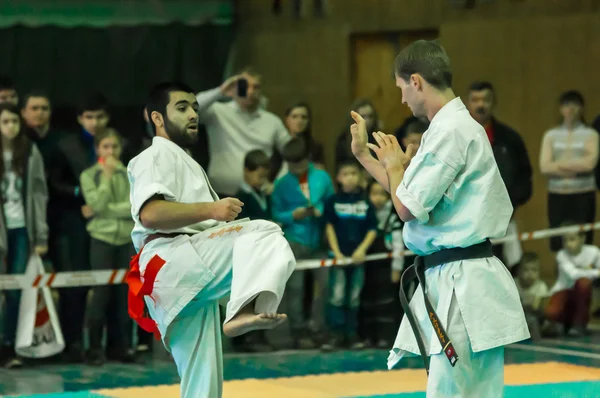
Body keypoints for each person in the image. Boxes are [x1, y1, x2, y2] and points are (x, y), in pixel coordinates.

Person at [349, 39, 528, 396]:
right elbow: (412, 198)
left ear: (416, 81)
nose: (402, 99)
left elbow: (406, 207)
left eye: (402, 89)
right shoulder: (450, 129)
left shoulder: (450, 131)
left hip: (463, 282)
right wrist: (367, 159)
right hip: (459, 277)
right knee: (469, 389)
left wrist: (396, 165)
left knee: (454, 389)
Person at [126, 82, 295, 398]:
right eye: (182, 108)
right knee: (265, 233)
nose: (192, 114)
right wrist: (213, 209)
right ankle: (242, 309)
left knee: (202, 381)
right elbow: (149, 214)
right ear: (157, 118)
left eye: (194, 108)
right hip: (171, 257)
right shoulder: (154, 155)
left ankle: (241, 308)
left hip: (175, 270)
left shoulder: (183, 159)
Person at [271, 137, 335, 349]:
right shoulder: (281, 185)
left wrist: (321, 212)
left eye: (298, 163)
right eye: (290, 164)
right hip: (294, 240)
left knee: (324, 286)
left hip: (319, 240)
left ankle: (318, 328)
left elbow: (333, 204)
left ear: (307, 159)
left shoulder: (322, 178)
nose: (294, 168)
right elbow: (275, 212)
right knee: (295, 289)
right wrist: (292, 215)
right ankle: (297, 331)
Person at [80, 130, 135, 365]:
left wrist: (106, 209)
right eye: (105, 147)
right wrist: (106, 178)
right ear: (97, 149)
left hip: (126, 239)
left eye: (114, 147)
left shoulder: (133, 173)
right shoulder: (89, 175)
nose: (110, 152)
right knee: (100, 294)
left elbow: (134, 207)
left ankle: (120, 346)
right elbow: (96, 204)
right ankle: (93, 347)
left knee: (125, 294)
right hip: (101, 238)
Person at [0, 103, 48, 368]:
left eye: (14, 122)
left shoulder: (30, 151)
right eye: (5, 122)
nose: (10, 127)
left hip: (22, 229)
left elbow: (40, 195)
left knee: (17, 290)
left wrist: (40, 236)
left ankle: (9, 346)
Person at [195, 67, 291, 196]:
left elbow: (292, 153)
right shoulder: (217, 112)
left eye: (255, 87)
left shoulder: (272, 121)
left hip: (258, 195)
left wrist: (278, 184)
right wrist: (221, 91)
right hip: (221, 194)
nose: (250, 91)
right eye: (244, 86)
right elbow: (192, 107)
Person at [321, 160, 378, 352]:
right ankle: (335, 335)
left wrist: (362, 250)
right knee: (337, 295)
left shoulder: (365, 202)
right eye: (345, 174)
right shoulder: (333, 201)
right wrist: (336, 252)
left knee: (354, 297)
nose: (350, 177)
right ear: (338, 178)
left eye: (354, 173)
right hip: (338, 256)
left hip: (358, 258)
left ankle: (351, 334)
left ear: (360, 177)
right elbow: (329, 227)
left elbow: (372, 229)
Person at [539, 90, 598, 252]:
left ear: (582, 108)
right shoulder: (551, 135)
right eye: (566, 105)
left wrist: (559, 166)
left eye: (574, 104)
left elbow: (590, 165)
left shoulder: (591, 134)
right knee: (558, 241)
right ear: (560, 109)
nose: (570, 109)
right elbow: (545, 166)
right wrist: (575, 167)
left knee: (583, 241)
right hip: (557, 196)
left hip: (583, 195)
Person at [232, 149, 274, 353]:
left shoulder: (262, 195)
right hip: (248, 253)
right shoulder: (240, 198)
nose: (262, 180)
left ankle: (258, 334)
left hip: (262, 251)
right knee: (246, 296)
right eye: (259, 175)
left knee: (259, 295)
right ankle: (244, 338)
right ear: (246, 172)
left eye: (265, 176)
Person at [360, 180, 405, 349]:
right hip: (368, 266)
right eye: (373, 193)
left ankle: (386, 337)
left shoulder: (393, 217)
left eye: (381, 194)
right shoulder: (365, 215)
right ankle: (368, 337)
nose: (377, 198)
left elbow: (398, 244)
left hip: (386, 267)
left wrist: (396, 267)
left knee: (386, 302)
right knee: (367, 301)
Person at [544, 223, 600, 337]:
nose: (568, 244)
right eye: (565, 240)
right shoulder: (561, 255)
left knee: (584, 283)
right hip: (564, 291)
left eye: (572, 239)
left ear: (582, 238)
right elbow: (573, 274)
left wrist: (582, 271)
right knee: (551, 313)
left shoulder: (593, 252)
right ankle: (562, 322)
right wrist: (593, 272)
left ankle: (579, 324)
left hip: (581, 292)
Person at [514, 252, 549, 341]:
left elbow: (538, 307)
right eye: (526, 270)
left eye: (534, 270)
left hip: (538, 319)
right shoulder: (513, 284)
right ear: (519, 271)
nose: (530, 274)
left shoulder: (541, 286)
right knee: (531, 321)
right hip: (517, 319)